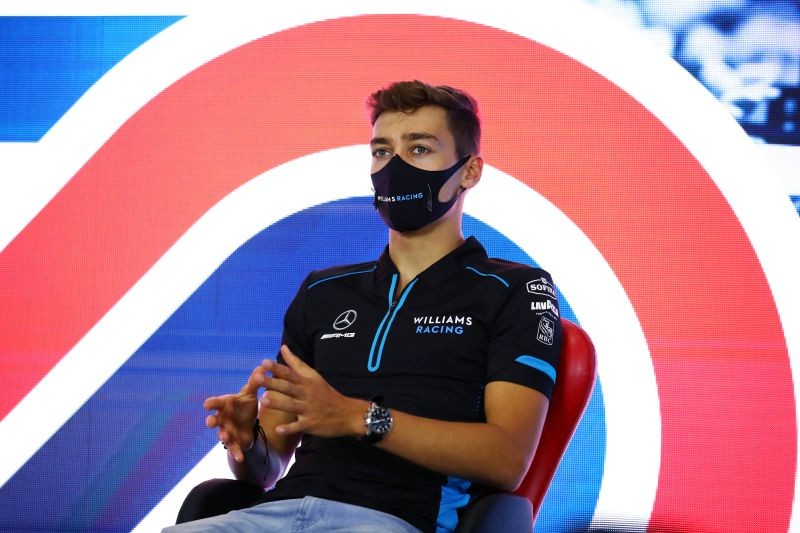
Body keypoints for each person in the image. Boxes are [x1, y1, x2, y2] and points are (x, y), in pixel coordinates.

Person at [164, 80, 562, 533]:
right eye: (382, 151)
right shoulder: (323, 291)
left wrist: (358, 417)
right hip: (275, 516)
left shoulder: (515, 289)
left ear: (469, 172)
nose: (394, 167)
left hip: (397, 521)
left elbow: (507, 458)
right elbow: (268, 468)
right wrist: (247, 443)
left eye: (419, 150)